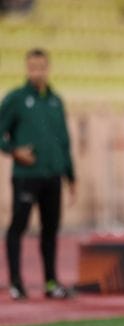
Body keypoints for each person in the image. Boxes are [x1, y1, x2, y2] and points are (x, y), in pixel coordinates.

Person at [0, 48, 75, 300]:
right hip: (26, 175)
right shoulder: (16, 99)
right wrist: (14, 151)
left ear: (48, 67)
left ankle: (51, 282)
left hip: (52, 175)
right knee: (18, 227)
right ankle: (15, 283)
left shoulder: (55, 101)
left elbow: (64, 141)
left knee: (50, 230)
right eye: (32, 68)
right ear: (26, 68)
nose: (37, 72)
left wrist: (70, 175)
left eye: (41, 67)